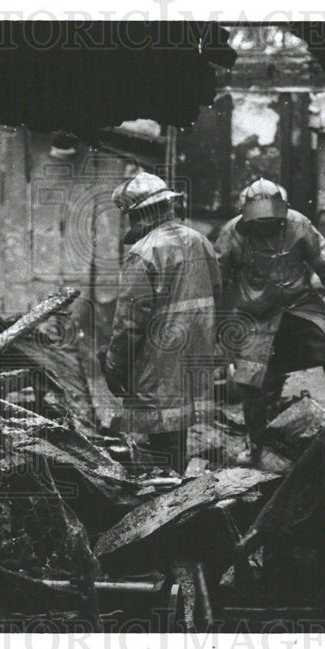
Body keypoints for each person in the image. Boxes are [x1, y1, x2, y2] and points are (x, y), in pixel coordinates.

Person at [215, 178, 325, 466]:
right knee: (250, 379)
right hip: (257, 314)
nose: (265, 225)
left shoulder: (299, 224)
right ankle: (254, 442)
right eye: (259, 220)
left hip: (301, 305)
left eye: (271, 219)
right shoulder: (232, 233)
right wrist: (218, 322)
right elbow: (215, 277)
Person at [101, 172, 221, 475]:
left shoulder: (143, 252)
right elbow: (219, 292)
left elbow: (129, 322)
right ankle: (178, 489)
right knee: (177, 427)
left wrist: (114, 365)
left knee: (155, 437)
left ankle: (162, 501)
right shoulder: (200, 241)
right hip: (197, 352)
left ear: (137, 214)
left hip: (159, 356)